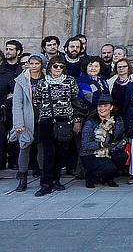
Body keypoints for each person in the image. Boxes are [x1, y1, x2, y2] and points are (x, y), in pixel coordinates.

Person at [32, 55, 80, 197]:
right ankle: (45, 183)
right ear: (50, 67)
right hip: (46, 120)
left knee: (60, 152)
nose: (58, 69)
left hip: (64, 120)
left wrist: (76, 119)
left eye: (61, 66)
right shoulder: (42, 83)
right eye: (55, 66)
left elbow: (75, 101)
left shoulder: (70, 81)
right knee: (48, 152)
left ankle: (56, 180)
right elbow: (38, 100)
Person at [11, 51, 46, 192]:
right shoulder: (21, 80)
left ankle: (43, 177)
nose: (33, 66)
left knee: (42, 149)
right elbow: (17, 103)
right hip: (27, 118)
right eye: (31, 63)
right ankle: (23, 178)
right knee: (24, 148)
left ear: (42, 64)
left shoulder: (46, 79)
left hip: (42, 117)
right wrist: (18, 123)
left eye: (36, 63)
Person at [79, 93, 127, 188]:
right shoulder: (91, 122)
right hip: (91, 154)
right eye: (100, 106)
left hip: (109, 151)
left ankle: (108, 178)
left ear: (111, 107)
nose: (102, 109)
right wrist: (100, 144)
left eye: (105, 106)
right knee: (110, 167)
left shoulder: (118, 121)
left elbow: (122, 137)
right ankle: (90, 178)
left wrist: (118, 145)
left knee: (122, 156)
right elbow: (85, 145)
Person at [1, 40, 24, 171]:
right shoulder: (3, 66)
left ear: (18, 52)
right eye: (7, 49)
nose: (8, 51)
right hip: (4, 106)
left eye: (11, 49)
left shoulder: (20, 67)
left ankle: (15, 161)